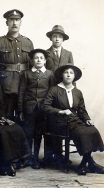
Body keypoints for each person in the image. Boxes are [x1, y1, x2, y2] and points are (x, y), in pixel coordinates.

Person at [42, 64, 104, 175]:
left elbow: (82, 111)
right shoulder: (54, 89)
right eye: (66, 72)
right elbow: (45, 106)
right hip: (59, 122)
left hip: (74, 121)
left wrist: (87, 119)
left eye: (71, 73)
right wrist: (60, 111)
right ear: (62, 75)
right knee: (82, 133)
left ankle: (85, 162)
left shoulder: (77, 92)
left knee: (92, 129)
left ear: (74, 76)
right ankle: (90, 164)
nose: (68, 75)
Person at [0, 9, 34, 121]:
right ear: (7, 23)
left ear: (21, 22)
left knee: (24, 116)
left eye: (17, 20)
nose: (14, 23)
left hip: (25, 85)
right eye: (11, 20)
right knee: (7, 115)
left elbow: (33, 66)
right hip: (6, 86)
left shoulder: (28, 42)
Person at [18, 49, 56, 169]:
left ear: (45, 61)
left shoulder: (50, 74)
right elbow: (21, 92)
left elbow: (52, 92)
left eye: (41, 58)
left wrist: (49, 107)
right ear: (32, 60)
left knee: (38, 134)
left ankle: (35, 159)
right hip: (29, 108)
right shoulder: (26, 73)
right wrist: (20, 110)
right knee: (28, 133)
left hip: (43, 109)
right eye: (36, 58)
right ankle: (27, 157)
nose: (38, 60)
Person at [44, 25, 74, 164]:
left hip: (63, 92)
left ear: (63, 39)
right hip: (50, 91)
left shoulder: (68, 54)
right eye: (54, 36)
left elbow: (72, 74)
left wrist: (72, 92)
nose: (57, 39)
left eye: (60, 37)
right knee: (50, 122)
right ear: (51, 38)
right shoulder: (45, 53)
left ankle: (60, 155)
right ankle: (49, 156)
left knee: (62, 123)